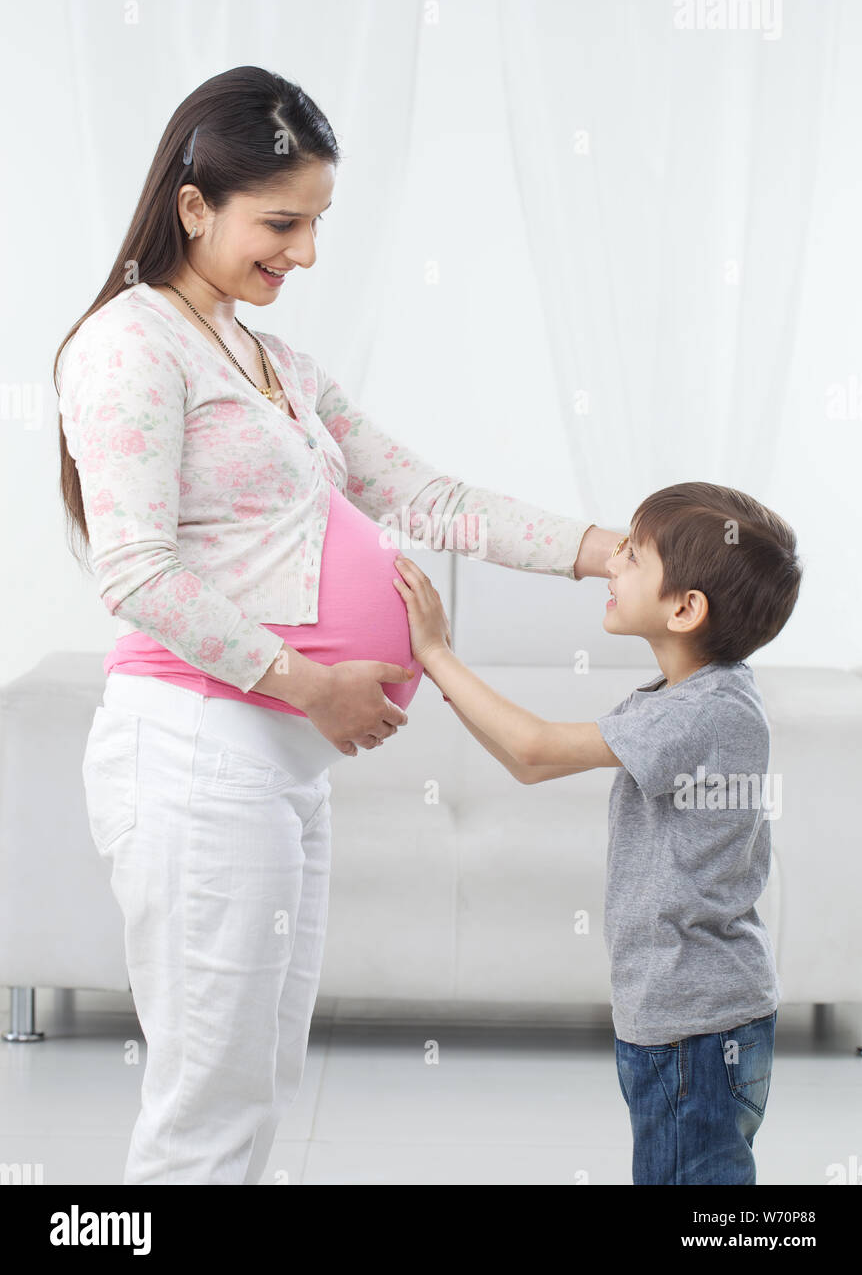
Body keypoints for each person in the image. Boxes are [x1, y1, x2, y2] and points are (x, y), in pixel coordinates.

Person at [54, 64, 623, 1185]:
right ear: (192, 206)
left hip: (277, 767)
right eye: (281, 222)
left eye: (315, 223)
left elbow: (431, 499)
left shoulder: (273, 364)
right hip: (194, 750)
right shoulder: (131, 345)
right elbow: (133, 569)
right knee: (206, 1096)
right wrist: (309, 683)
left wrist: (611, 547)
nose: (304, 253)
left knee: (257, 1075)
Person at [393, 480, 803, 1185]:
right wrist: (442, 672)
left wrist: (437, 654)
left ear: (686, 608)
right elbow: (528, 762)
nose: (612, 566)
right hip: (680, 1019)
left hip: (697, 1030)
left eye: (634, 558)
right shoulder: (690, 698)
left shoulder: (703, 712)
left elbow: (534, 748)